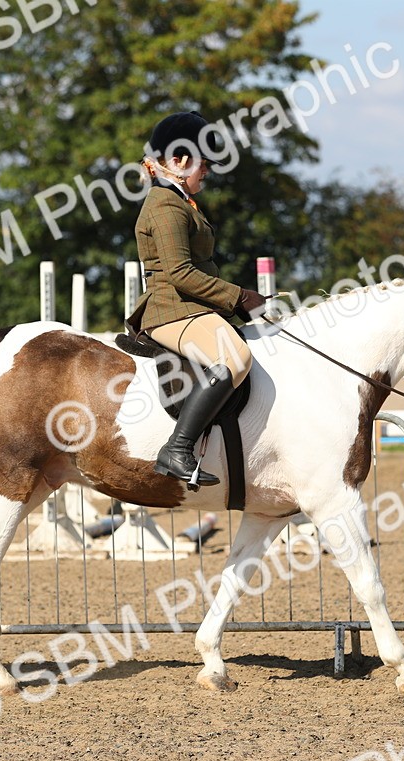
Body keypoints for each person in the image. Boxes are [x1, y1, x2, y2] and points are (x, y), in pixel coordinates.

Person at [126, 111, 266, 487]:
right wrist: (238, 296)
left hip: (188, 307)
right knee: (234, 358)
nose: (207, 170)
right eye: (203, 163)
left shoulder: (181, 201)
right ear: (179, 160)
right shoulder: (165, 205)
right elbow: (180, 273)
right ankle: (178, 448)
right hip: (170, 310)